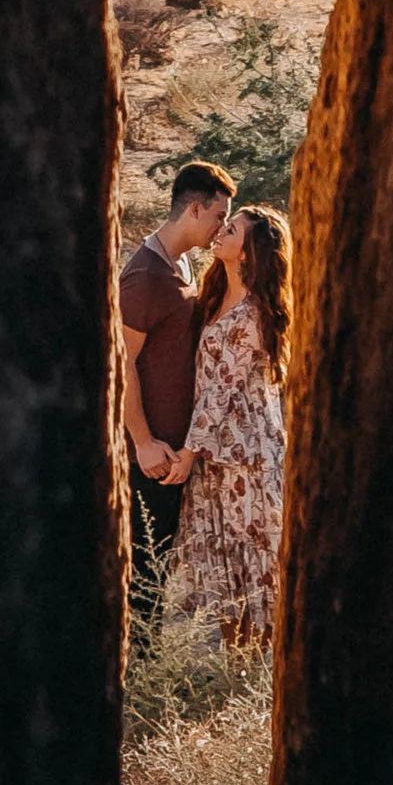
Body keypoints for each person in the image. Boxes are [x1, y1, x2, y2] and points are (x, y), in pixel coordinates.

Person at [166, 200, 291, 648]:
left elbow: (221, 391)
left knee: (254, 566)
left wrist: (186, 453)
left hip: (248, 458)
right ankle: (235, 667)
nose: (220, 231)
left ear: (248, 251)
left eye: (231, 230)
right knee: (218, 566)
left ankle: (258, 672)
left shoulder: (254, 312)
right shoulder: (215, 297)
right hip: (213, 458)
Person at [119, 160, 235, 591]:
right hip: (149, 458)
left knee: (158, 577)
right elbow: (121, 360)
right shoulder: (146, 276)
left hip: (174, 456)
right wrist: (143, 442)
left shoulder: (181, 266)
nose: (220, 228)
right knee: (142, 582)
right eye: (219, 216)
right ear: (194, 210)